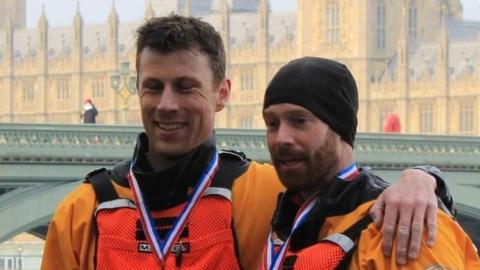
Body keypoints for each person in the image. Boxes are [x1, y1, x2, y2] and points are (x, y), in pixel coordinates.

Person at [42, 15, 454, 270]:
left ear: (222, 93)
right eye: (154, 87)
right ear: (136, 90)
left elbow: (355, 196)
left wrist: (424, 180)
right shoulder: (85, 210)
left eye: (186, 87)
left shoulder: (269, 193)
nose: (167, 104)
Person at [260, 57, 480, 269]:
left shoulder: (403, 226)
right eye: (272, 123)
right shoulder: (282, 216)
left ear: (340, 127)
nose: (281, 138)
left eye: (299, 121)